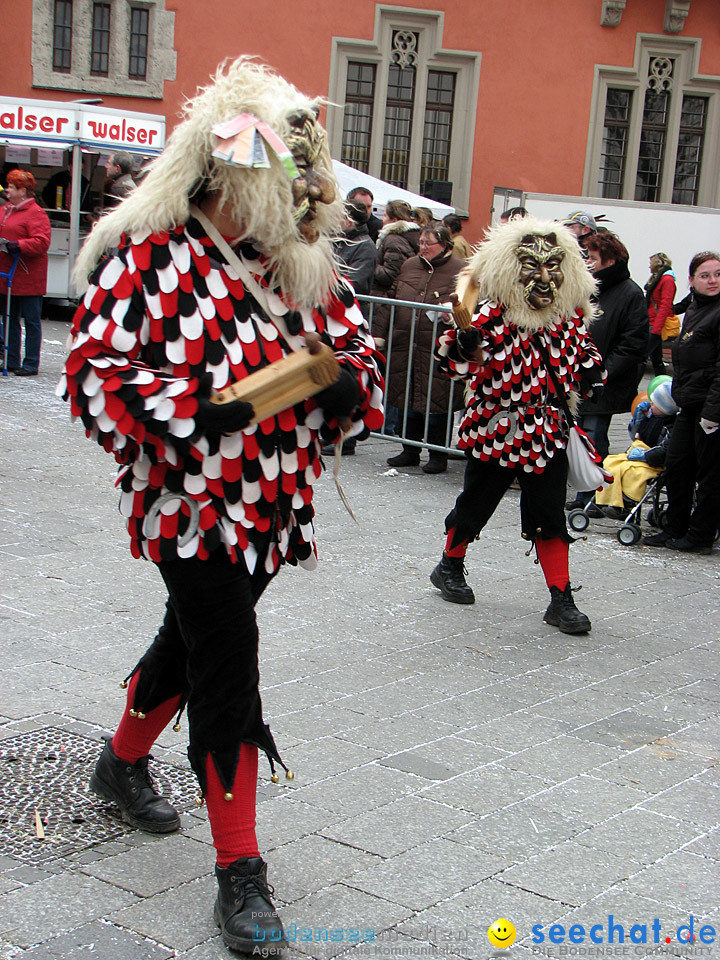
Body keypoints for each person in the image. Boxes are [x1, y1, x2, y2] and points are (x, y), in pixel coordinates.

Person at [56, 58, 384, 955]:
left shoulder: (299, 263)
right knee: (227, 658)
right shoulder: (154, 253)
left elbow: (356, 344)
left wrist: (340, 382)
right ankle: (241, 871)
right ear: (235, 174)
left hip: (276, 503)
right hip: (189, 503)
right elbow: (93, 376)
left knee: (191, 642)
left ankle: (119, 764)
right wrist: (220, 409)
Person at [429, 217, 604, 633]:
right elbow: (451, 364)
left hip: (547, 430)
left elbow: (586, 358)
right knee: (477, 500)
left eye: (553, 266)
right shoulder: (490, 316)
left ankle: (560, 597)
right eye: (531, 267)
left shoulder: (567, 319)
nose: (544, 278)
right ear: (511, 268)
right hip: (496, 428)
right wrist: (466, 344)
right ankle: (450, 564)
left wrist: (592, 372)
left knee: (549, 512)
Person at [565, 231, 647, 513]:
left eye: (592, 257)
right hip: (575, 376)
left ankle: (589, 493)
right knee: (575, 432)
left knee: (593, 433)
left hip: (604, 380)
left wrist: (603, 371)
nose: (586, 261)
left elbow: (633, 342)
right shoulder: (585, 286)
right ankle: (582, 487)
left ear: (609, 261)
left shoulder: (631, 293)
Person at [645, 251, 720, 554]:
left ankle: (700, 536)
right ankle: (673, 526)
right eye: (705, 275)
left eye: (717, 274)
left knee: (710, 475)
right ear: (691, 281)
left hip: (710, 410)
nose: (713, 280)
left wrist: (713, 413)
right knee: (677, 465)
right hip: (689, 405)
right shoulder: (697, 309)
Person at [376, 224, 465, 473]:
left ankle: (438, 454)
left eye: (429, 243)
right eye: (422, 243)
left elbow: (468, 302)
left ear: (445, 244)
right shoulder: (410, 265)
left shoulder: (460, 269)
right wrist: (379, 334)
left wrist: (451, 314)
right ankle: (409, 449)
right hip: (406, 341)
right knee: (406, 394)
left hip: (437, 345)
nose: (423, 247)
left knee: (438, 399)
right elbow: (391, 299)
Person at [323, 199, 378, 456]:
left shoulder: (365, 245)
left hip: (346, 311)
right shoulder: (336, 240)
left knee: (350, 367)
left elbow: (356, 277)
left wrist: (332, 287)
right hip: (327, 310)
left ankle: (347, 436)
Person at [595, 381, 677, 517]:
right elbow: (636, 436)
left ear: (664, 407)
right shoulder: (651, 418)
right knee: (611, 463)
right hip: (638, 453)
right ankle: (603, 498)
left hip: (652, 461)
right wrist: (638, 420)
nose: (651, 403)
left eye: (654, 403)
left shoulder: (670, 428)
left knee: (636, 473)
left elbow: (664, 451)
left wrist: (645, 455)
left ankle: (626, 503)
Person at [0, 169, 51, 376]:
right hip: (8, 276)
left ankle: (31, 362)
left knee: (31, 321)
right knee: (9, 318)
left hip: (28, 276)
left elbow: (41, 242)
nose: (8, 190)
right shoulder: (6, 210)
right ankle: (11, 359)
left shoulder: (36, 213)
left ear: (23, 191)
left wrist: (18, 245)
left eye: (11, 187)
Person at [644, 252, 676, 376]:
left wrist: (656, 329)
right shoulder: (658, 278)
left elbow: (665, 305)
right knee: (656, 360)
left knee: (642, 356)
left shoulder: (666, 279)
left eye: (650, 263)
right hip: (653, 322)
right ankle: (662, 386)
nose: (649, 266)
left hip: (656, 324)